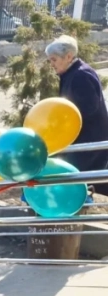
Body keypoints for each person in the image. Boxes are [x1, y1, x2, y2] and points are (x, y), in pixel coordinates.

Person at [47, 34, 108, 194]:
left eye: (54, 60)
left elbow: (88, 108)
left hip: (89, 138)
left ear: (68, 56)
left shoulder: (81, 75)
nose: (51, 64)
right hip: (83, 137)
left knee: (80, 177)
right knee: (83, 179)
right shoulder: (72, 73)